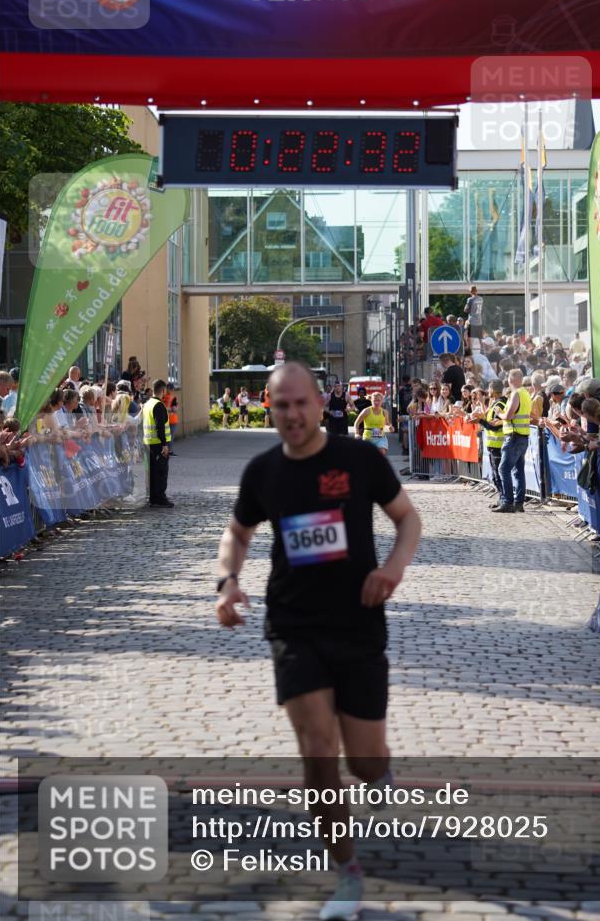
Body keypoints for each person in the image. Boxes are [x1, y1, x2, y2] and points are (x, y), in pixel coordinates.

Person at [214, 362, 421, 921]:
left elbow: (408, 519)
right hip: (293, 624)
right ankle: (347, 874)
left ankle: (380, 773)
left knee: (365, 762)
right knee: (317, 748)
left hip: (357, 623)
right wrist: (228, 581)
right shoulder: (263, 472)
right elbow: (237, 532)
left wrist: (394, 569)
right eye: (281, 406)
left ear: (318, 402)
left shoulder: (357, 459)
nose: (293, 415)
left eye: (301, 403)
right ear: (268, 406)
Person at [493, 369, 533, 513]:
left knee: (503, 469)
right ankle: (518, 503)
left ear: (512, 379)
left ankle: (508, 502)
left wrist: (499, 414)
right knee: (518, 471)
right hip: (522, 436)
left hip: (514, 436)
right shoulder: (525, 393)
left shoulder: (517, 393)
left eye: (509, 378)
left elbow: (509, 415)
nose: (508, 381)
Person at [143, 379, 173, 508]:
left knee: (152, 473)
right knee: (161, 472)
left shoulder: (148, 403)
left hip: (148, 443)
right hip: (157, 444)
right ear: (163, 390)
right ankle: (160, 498)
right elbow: (159, 426)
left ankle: (153, 498)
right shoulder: (159, 405)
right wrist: (164, 445)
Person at [474, 379, 506, 499]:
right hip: (494, 445)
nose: (488, 391)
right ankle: (502, 499)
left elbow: (495, 426)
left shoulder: (499, 405)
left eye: (489, 389)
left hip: (498, 445)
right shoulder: (496, 403)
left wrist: (480, 421)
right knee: (496, 475)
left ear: (493, 390)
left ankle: (504, 499)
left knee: (498, 475)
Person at [354, 390, 393, 456]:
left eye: (378, 400)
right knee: (370, 457)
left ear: (381, 401)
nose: (376, 402)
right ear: (371, 401)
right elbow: (356, 423)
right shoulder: (366, 411)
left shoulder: (384, 412)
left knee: (381, 453)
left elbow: (387, 423)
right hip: (368, 438)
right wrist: (356, 433)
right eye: (375, 400)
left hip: (381, 437)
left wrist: (390, 427)